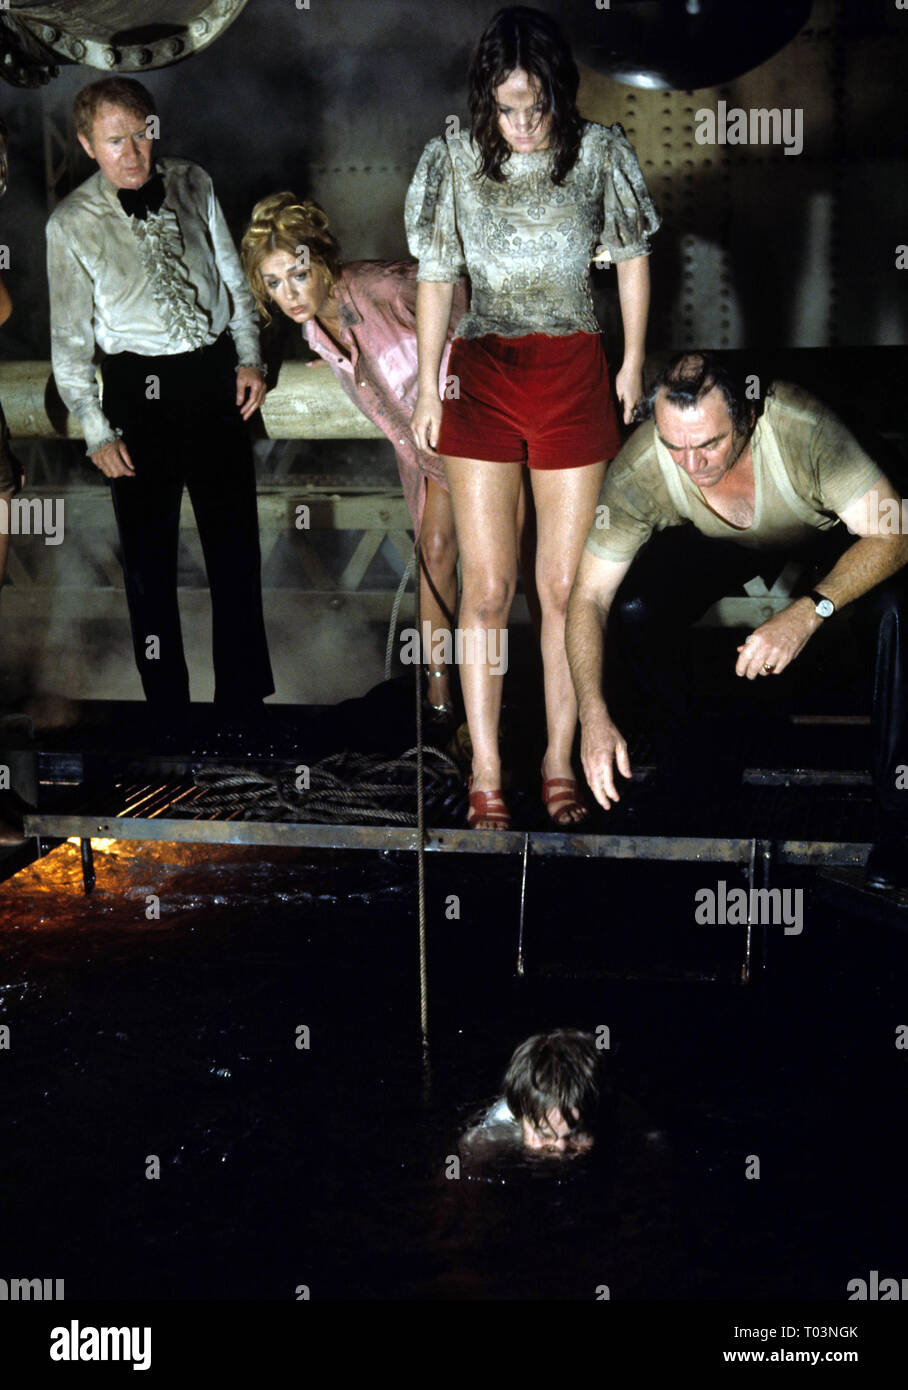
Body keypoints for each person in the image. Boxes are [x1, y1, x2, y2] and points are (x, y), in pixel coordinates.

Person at [407, 4, 659, 829]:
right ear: (487, 98)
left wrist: (629, 362)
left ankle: (556, 759)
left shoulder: (599, 153)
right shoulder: (452, 158)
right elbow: (438, 275)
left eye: (535, 106)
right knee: (487, 588)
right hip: (481, 374)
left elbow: (631, 258)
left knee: (561, 589)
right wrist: (424, 387)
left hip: (573, 371)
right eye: (506, 107)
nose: (520, 124)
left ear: (559, 93)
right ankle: (486, 770)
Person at [566, 350, 908, 890]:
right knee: (634, 607)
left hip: (837, 529)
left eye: (709, 444)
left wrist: (807, 611)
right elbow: (588, 598)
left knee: (896, 610)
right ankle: (690, 768)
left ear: (747, 418)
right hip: (728, 540)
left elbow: (894, 533)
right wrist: (592, 712)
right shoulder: (644, 467)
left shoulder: (802, 429)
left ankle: (901, 815)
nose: (692, 463)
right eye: (675, 445)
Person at [46, 78, 273, 726]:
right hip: (134, 395)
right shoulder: (70, 225)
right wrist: (94, 427)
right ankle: (168, 714)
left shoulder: (193, 180)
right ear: (89, 144)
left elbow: (233, 275)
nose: (133, 150)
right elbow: (68, 342)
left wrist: (250, 355)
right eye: (116, 139)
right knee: (148, 568)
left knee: (235, 552)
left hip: (212, 379)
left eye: (143, 133)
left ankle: (242, 705)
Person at [241, 193, 469, 720]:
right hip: (425, 455)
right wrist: (347, 360)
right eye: (273, 284)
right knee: (434, 554)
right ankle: (438, 705)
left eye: (297, 275)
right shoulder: (315, 332)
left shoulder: (381, 286)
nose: (288, 293)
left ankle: (513, 712)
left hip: (476, 437)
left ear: (320, 260)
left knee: (502, 573)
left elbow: (464, 298)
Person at [463, 1028, 603, 1156]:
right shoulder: (495, 1133)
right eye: (544, 1136)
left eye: (578, 1135)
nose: (560, 1149)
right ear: (521, 1116)